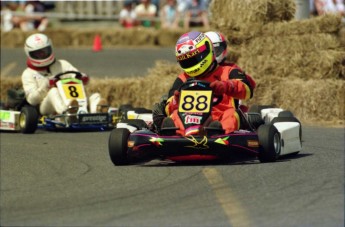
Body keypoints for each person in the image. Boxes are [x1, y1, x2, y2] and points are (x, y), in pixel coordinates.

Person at [159, 31, 254, 136]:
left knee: (231, 115)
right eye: (187, 61)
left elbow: (247, 90)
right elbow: (168, 107)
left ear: (206, 51)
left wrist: (226, 86)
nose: (191, 63)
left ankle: (217, 134)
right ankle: (171, 135)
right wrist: (175, 101)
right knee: (174, 115)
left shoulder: (228, 71)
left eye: (194, 59)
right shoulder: (183, 78)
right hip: (188, 118)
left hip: (219, 116)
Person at [21, 33, 108, 117]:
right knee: (53, 92)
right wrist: (46, 86)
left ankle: (97, 113)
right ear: (29, 53)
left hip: (72, 100)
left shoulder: (62, 64)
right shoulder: (28, 74)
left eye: (44, 51)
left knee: (94, 96)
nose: (42, 55)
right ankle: (66, 113)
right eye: (38, 53)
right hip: (46, 107)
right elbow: (32, 100)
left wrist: (83, 78)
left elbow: (77, 75)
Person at [205, 31, 256, 111]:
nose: (213, 55)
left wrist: (229, 85)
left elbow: (250, 86)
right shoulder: (193, 73)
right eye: (210, 52)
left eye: (215, 51)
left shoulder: (231, 69)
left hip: (228, 110)